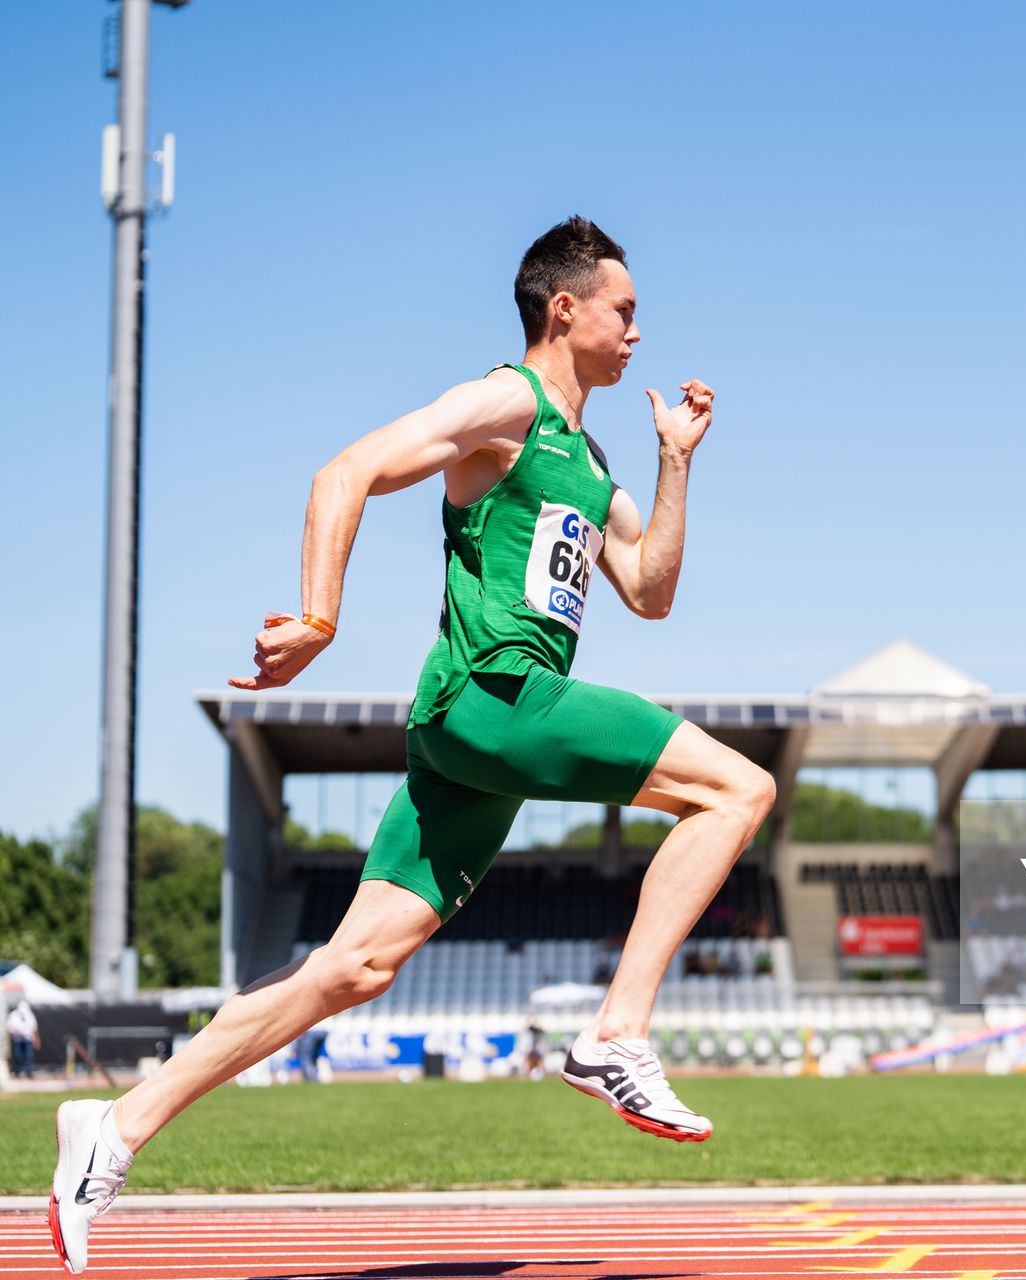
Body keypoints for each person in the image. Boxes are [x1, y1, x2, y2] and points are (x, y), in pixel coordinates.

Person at [48, 217, 777, 1275]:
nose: (638, 332)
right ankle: (616, 1032)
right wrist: (317, 615)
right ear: (563, 309)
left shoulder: (587, 451)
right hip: (493, 695)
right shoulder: (507, 406)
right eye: (625, 311)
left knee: (355, 964)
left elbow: (651, 591)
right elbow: (346, 470)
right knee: (737, 789)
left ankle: (112, 1128)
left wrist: (674, 464)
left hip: (482, 732)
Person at [7, 999, 39, 1079]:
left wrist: (36, 1039)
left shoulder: (29, 1015)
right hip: (17, 1039)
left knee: (28, 1056)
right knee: (17, 1055)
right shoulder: (13, 1015)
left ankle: (28, 1072)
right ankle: (16, 1072)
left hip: (28, 1038)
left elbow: (34, 1028)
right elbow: (9, 1027)